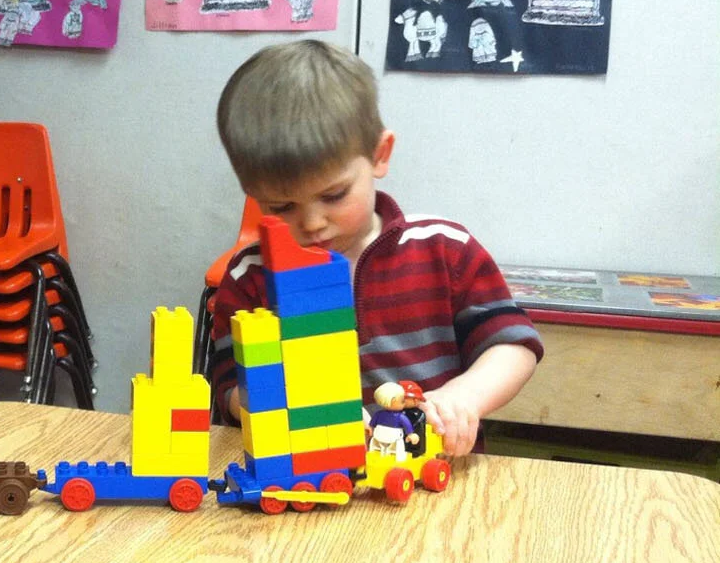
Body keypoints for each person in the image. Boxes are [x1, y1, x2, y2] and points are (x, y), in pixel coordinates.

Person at [210, 41, 542, 455]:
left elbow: (513, 345)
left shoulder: (444, 249)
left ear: (379, 155)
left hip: (435, 473)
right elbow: (226, 389)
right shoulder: (249, 276)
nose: (313, 223)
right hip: (312, 477)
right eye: (281, 206)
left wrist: (465, 395)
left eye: (334, 195)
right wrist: (280, 404)